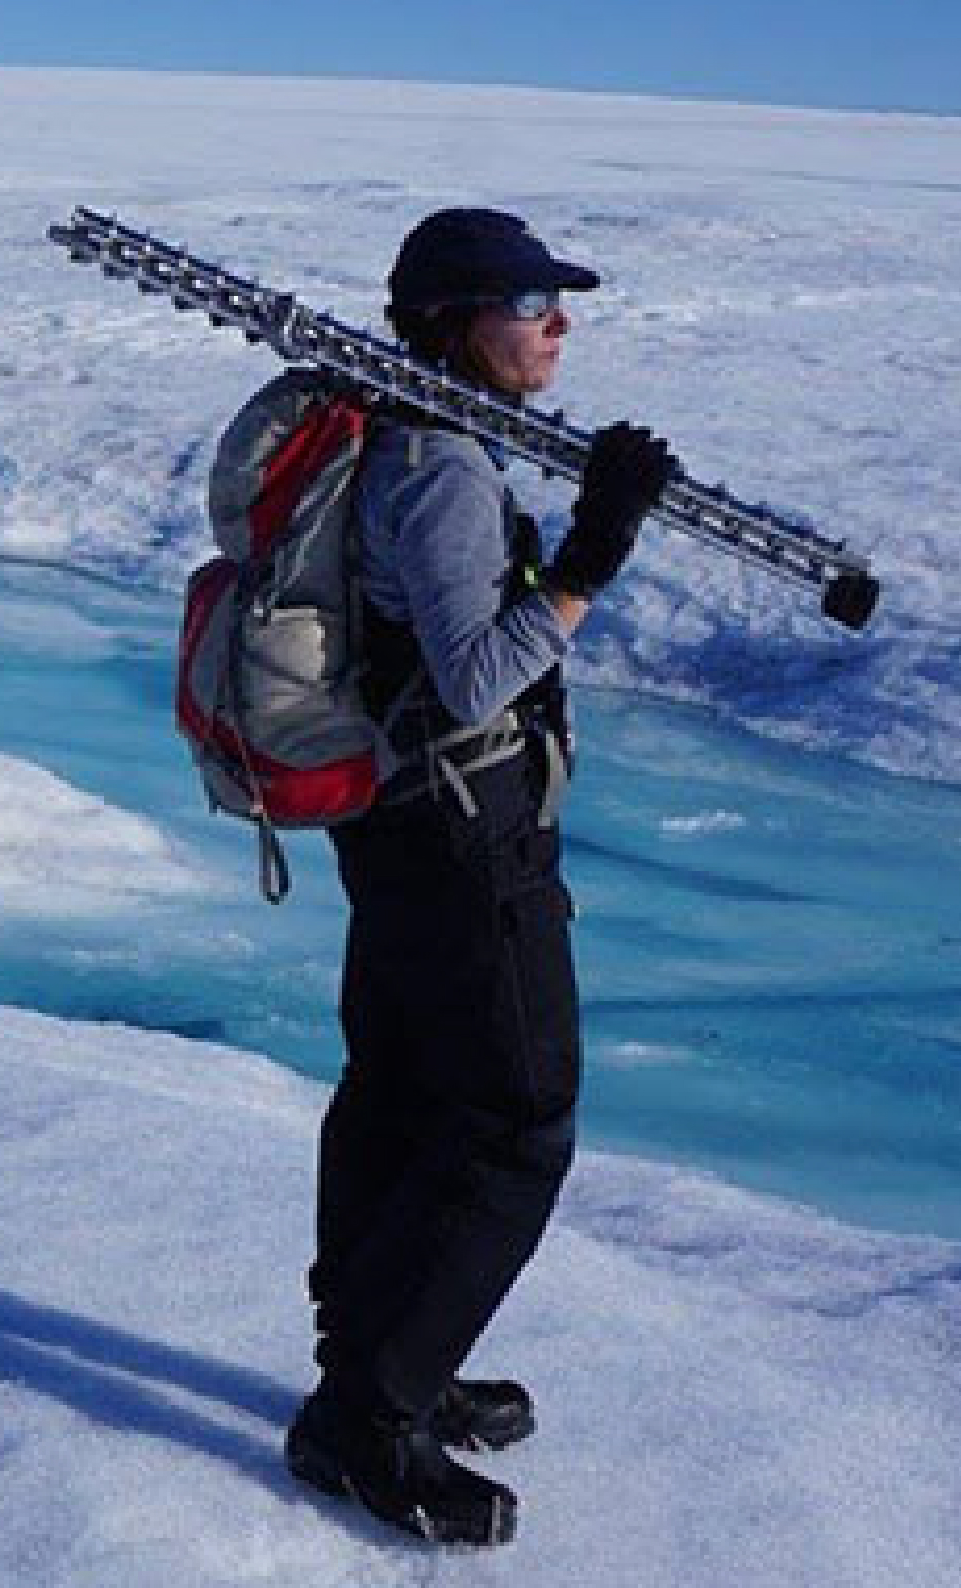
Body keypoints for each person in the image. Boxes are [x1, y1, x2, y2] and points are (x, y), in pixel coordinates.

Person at [282, 208, 677, 1548]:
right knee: (516, 1120)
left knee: (403, 1087)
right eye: (528, 300)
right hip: (459, 830)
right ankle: (366, 1416)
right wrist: (587, 559)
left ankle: (377, 1358)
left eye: (560, 301)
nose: (556, 323)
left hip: (394, 821)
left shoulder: (396, 430)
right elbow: (473, 675)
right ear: (455, 320)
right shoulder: (440, 465)